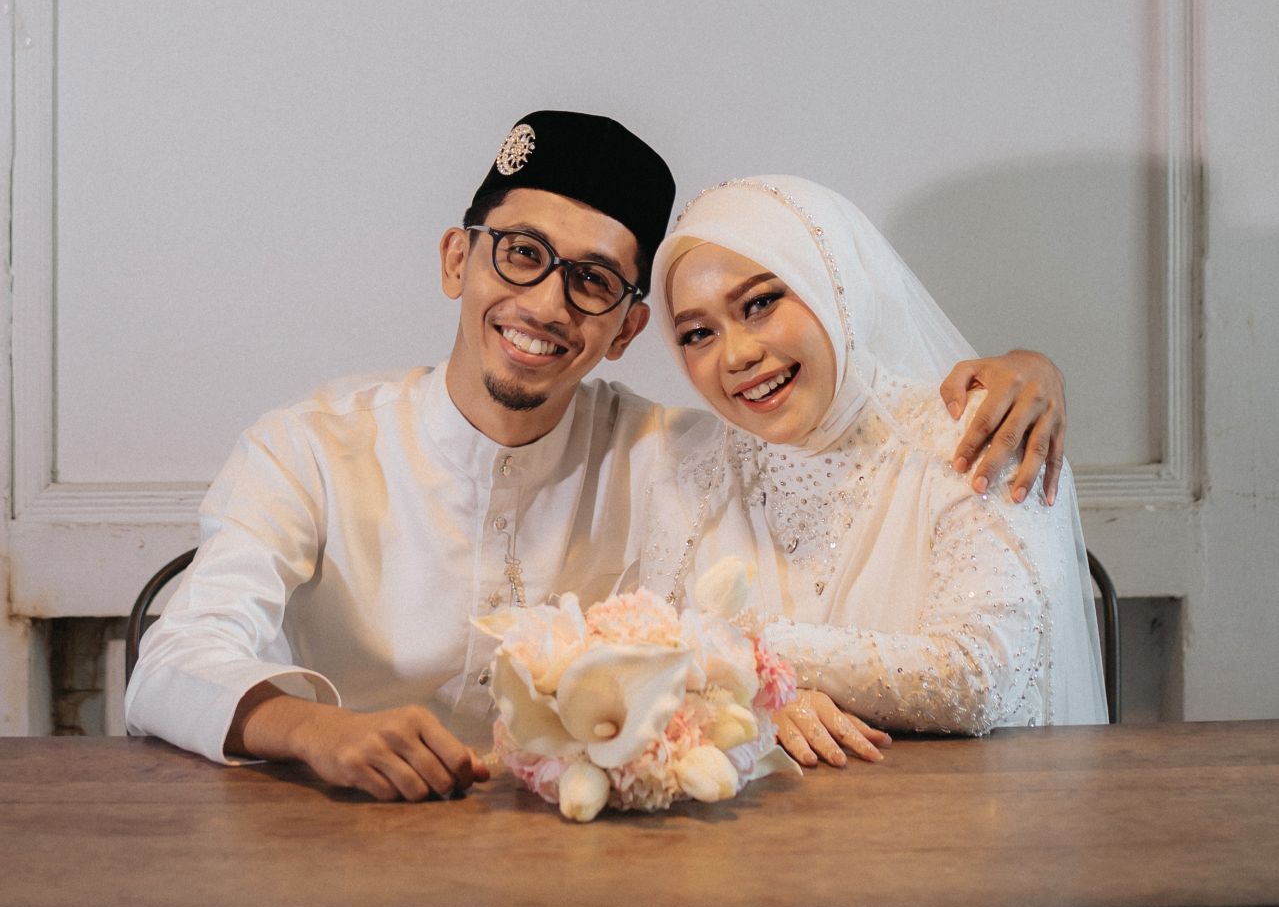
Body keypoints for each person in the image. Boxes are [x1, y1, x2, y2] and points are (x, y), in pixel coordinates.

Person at [126, 113, 1075, 800]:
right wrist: (317, 733)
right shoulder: (309, 447)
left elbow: (841, 439)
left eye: (591, 282)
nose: (545, 305)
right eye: (519, 254)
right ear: (458, 260)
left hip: (590, 853)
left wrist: (1026, 373)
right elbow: (176, 658)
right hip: (340, 835)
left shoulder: (678, 455)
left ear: (625, 329)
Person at [646, 175, 1108, 769]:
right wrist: (762, 706)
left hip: (963, 810)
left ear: (832, 282)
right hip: (763, 817)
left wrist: (750, 656)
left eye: (759, 303)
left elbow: (981, 676)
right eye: (698, 333)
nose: (736, 355)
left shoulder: (979, 428)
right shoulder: (690, 475)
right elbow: (651, 672)